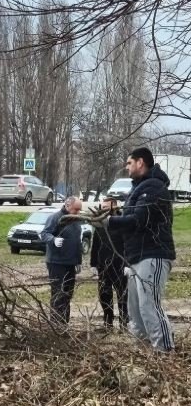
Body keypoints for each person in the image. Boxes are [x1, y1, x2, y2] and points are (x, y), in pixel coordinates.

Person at [95, 147, 175, 352]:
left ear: (141, 162)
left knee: (149, 305)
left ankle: (165, 351)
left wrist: (109, 222)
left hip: (152, 254)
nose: (127, 167)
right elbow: (130, 219)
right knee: (135, 310)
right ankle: (143, 352)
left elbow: (138, 219)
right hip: (136, 258)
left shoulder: (153, 187)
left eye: (129, 162)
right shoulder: (139, 188)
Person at [39, 196, 83, 326]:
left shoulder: (75, 220)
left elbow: (77, 242)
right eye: (76, 209)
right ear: (67, 206)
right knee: (59, 294)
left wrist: (78, 261)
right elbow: (44, 233)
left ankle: (64, 323)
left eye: (79, 210)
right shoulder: (55, 217)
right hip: (57, 262)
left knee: (67, 294)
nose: (78, 212)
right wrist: (53, 240)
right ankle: (56, 324)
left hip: (71, 263)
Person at [89, 198, 128, 329]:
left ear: (114, 207)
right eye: (102, 207)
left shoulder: (123, 222)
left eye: (106, 207)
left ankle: (124, 323)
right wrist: (93, 263)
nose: (103, 209)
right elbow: (95, 244)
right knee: (104, 294)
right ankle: (108, 321)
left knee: (123, 295)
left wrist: (128, 265)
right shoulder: (100, 223)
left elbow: (128, 245)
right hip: (103, 265)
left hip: (120, 265)